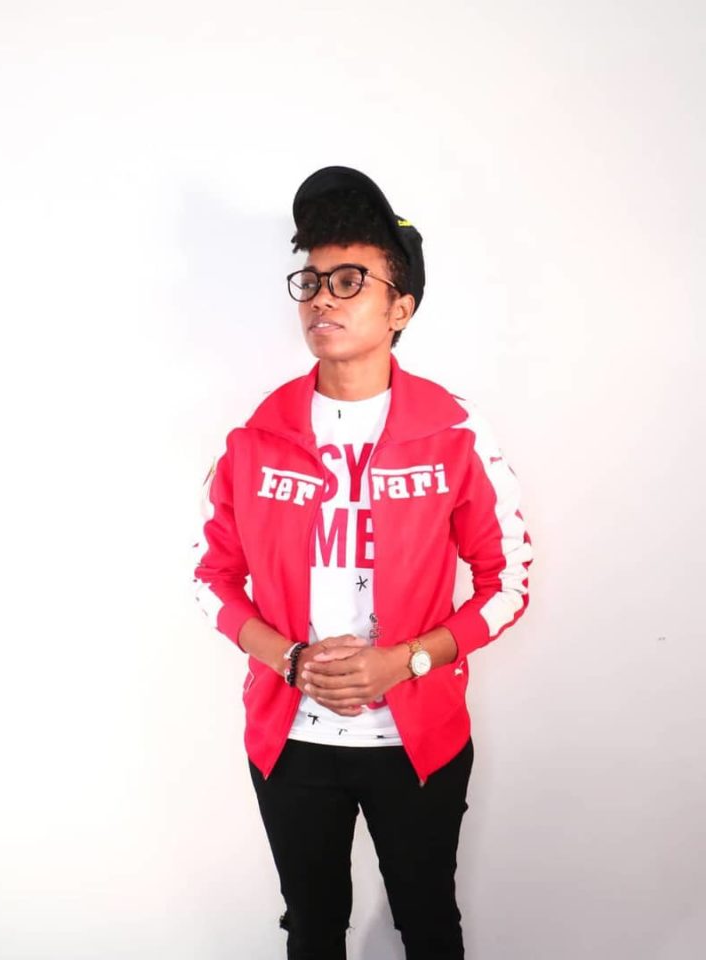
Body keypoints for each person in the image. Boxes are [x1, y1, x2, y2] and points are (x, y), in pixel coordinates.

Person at [193, 166, 533, 960]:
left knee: (428, 922)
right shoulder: (255, 437)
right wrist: (290, 659)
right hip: (290, 738)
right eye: (311, 280)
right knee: (312, 928)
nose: (323, 298)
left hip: (418, 738)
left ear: (400, 308)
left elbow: (508, 582)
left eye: (349, 280)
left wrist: (404, 661)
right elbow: (210, 579)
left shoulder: (455, 434)